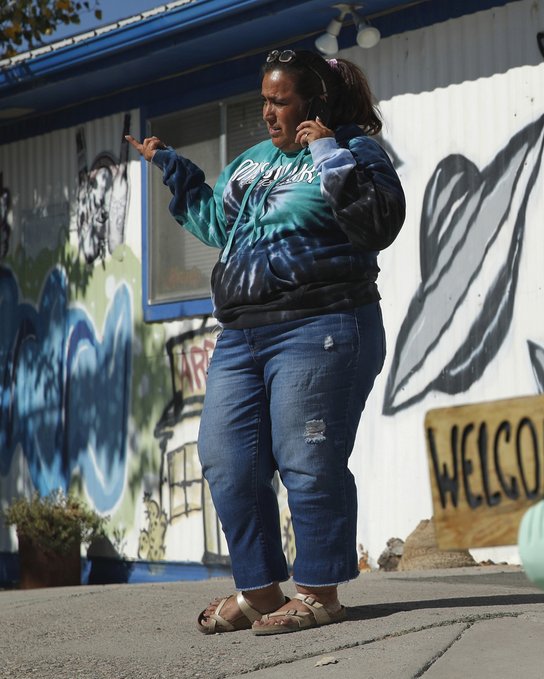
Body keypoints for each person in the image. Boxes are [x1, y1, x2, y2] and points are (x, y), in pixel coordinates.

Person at [126, 49, 405, 636]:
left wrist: (327, 151)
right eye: (264, 101)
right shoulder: (253, 163)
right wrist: (177, 170)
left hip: (322, 325)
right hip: (241, 336)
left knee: (308, 461)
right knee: (227, 460)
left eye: (280, 102)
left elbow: (378, 222)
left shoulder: (357, 152)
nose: (268, 113)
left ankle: (321, 594)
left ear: (315, 102)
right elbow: (217, 226)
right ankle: (258, 592)